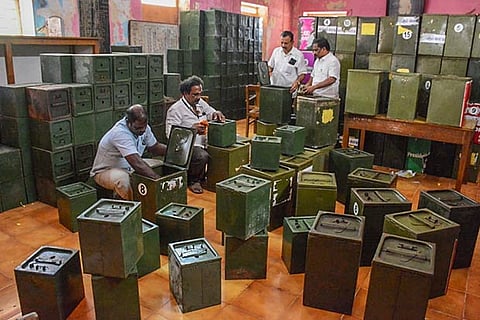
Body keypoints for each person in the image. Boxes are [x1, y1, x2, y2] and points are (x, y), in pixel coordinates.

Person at [90, 104, 167, 200]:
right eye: (138, 128)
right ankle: (131, 207)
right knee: (123, 180)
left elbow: (155, 147)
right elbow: (137, 163)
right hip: (106, 171)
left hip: (129, 166)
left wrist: (174, 151)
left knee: (160, 165)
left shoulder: (143, 127)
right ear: (128, 122)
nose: (142, 130)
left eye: (144, 126)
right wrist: (159, 181)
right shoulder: (120, 133)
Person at [166, 75, 225, 194]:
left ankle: (210, 177)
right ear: (185, 93)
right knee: (201, 156)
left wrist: (216, 113)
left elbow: (210, 112)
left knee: (222, 150)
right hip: (186, 146)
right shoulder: (176, 109)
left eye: (199, 93)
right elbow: (170, 135)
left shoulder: (200, 102)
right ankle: (194, 181)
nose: (198, 97)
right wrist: (191, 130)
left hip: (204, 140)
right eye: (195, 94)